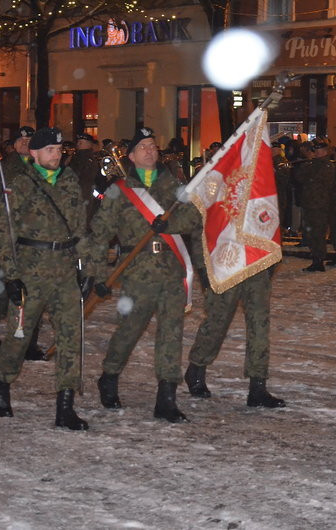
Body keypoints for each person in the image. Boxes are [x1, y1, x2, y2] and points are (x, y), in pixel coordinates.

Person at [89, 127, 202, 423]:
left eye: (153, 146)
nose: (150, 151)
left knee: (171, 333)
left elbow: (193, 216)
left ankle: (166, 398)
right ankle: (110, 375)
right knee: (129, 330)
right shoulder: (119, 190)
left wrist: (171, 223)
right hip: (136, 272)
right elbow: (100, 233)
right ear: (131, 156)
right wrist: (97, 274)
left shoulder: (174, 184)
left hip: (170, 270)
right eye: (143, 147)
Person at [0, 127, 91, 431]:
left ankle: (65, 406)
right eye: (49, 151)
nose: (56, 156)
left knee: (71, 338)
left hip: (64, 269)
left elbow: (79, 229)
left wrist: (87, 268)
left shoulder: (70, 182)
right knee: (19, 335)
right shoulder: (20, 185)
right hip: (31, 269)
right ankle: (1, 385)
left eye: (59, 151)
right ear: (34, 153)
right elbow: (5, 232)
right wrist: (11, 275)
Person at [0, 126, 45, 358]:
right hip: (10, 235)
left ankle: (30, 339)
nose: (25, 143)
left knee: (35, 288)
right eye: (21, 140)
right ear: (13, 145)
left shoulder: (45, 168)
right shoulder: (2, 170)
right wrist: (3, 208)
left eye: (29, 140)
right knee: (3, 284)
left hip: (37, 237)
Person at [184, 264, 285, 408]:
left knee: (260, 327)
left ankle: (258, 387)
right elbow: (200, 241)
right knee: (217, 322)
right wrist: (204, 269)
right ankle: (196, 368)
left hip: (257, 266)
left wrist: (269, 263)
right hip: (227, 265)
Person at [294, 138, 334, 272]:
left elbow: (317, 179)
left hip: (320, 204)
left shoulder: (327, 165)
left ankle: (319, 259)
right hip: (309, 203)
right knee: (311, 233)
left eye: (320, 150)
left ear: (325, 151)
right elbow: (298, 177)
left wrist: (309, 167)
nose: (317, 153)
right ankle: (315, 258)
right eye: (315, 150)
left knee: (318, 233)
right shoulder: (311, 164)